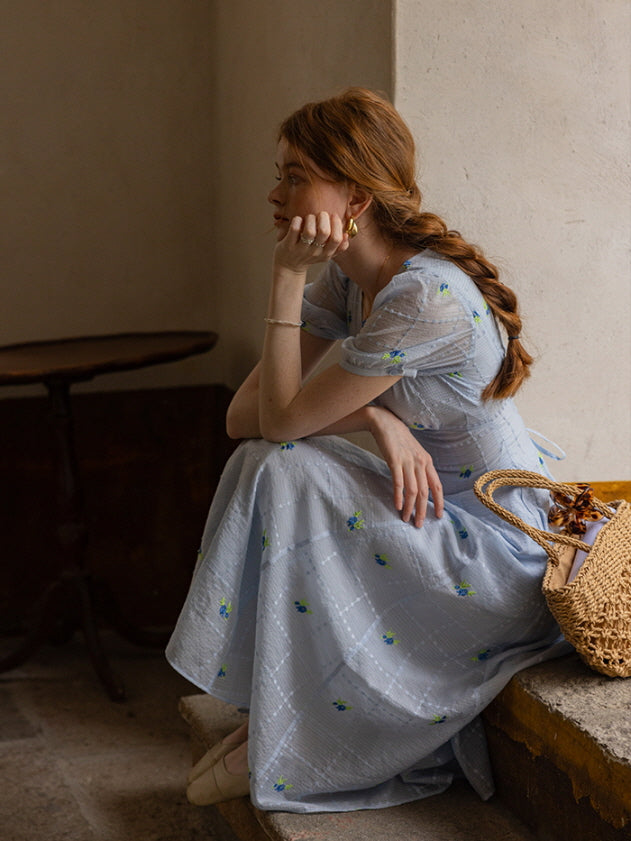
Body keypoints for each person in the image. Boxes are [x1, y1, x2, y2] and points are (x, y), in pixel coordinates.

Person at [166, 87, 568, 813]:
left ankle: (298, 729)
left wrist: (285, 277)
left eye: (294, 175)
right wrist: (381, 420)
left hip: (497, 551)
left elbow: (283, 423)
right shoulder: (353, 285)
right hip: (441, 520)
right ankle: (278, 712)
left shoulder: (424, 297)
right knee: (266, 460)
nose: (274, 191)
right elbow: (241, 417)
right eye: (280, 172)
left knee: (283, 466)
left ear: (351, 192)